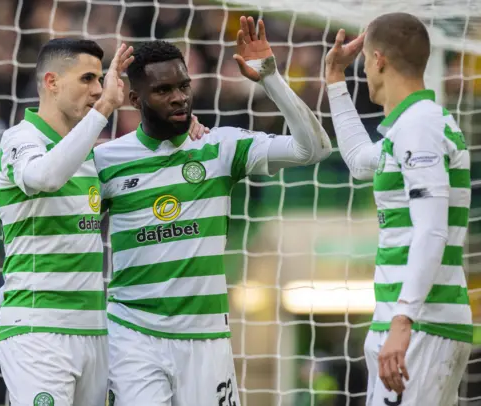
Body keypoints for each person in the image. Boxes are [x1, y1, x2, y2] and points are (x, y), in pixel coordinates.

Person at [0, 38, 208, 406]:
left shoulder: (90, 156)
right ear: (52, 82)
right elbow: (45, 177)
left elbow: (56, 253)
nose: (97, 89)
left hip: (93, 332)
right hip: (38, 331)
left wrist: (186, 133)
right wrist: (104, 109)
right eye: (87, 79)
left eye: (100, 79)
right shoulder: (19, 139)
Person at [92, 16, 331, 405]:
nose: (179, 97)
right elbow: (68, 233)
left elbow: (314, 149)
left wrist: (270, 78)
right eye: (163, 90)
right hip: (133, 335)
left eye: (183, 86)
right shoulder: (105, 160)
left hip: (206, 339)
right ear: (135, 100)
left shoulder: (220, 148)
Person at [325, 12, 472, 406]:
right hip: (412, 323)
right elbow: (358, 159)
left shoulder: (420, 126)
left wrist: (403, 320)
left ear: (378, 60)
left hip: (420, 325)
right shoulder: (408, 127)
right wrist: (335, 79)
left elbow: (431, 229)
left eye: (363, 63)